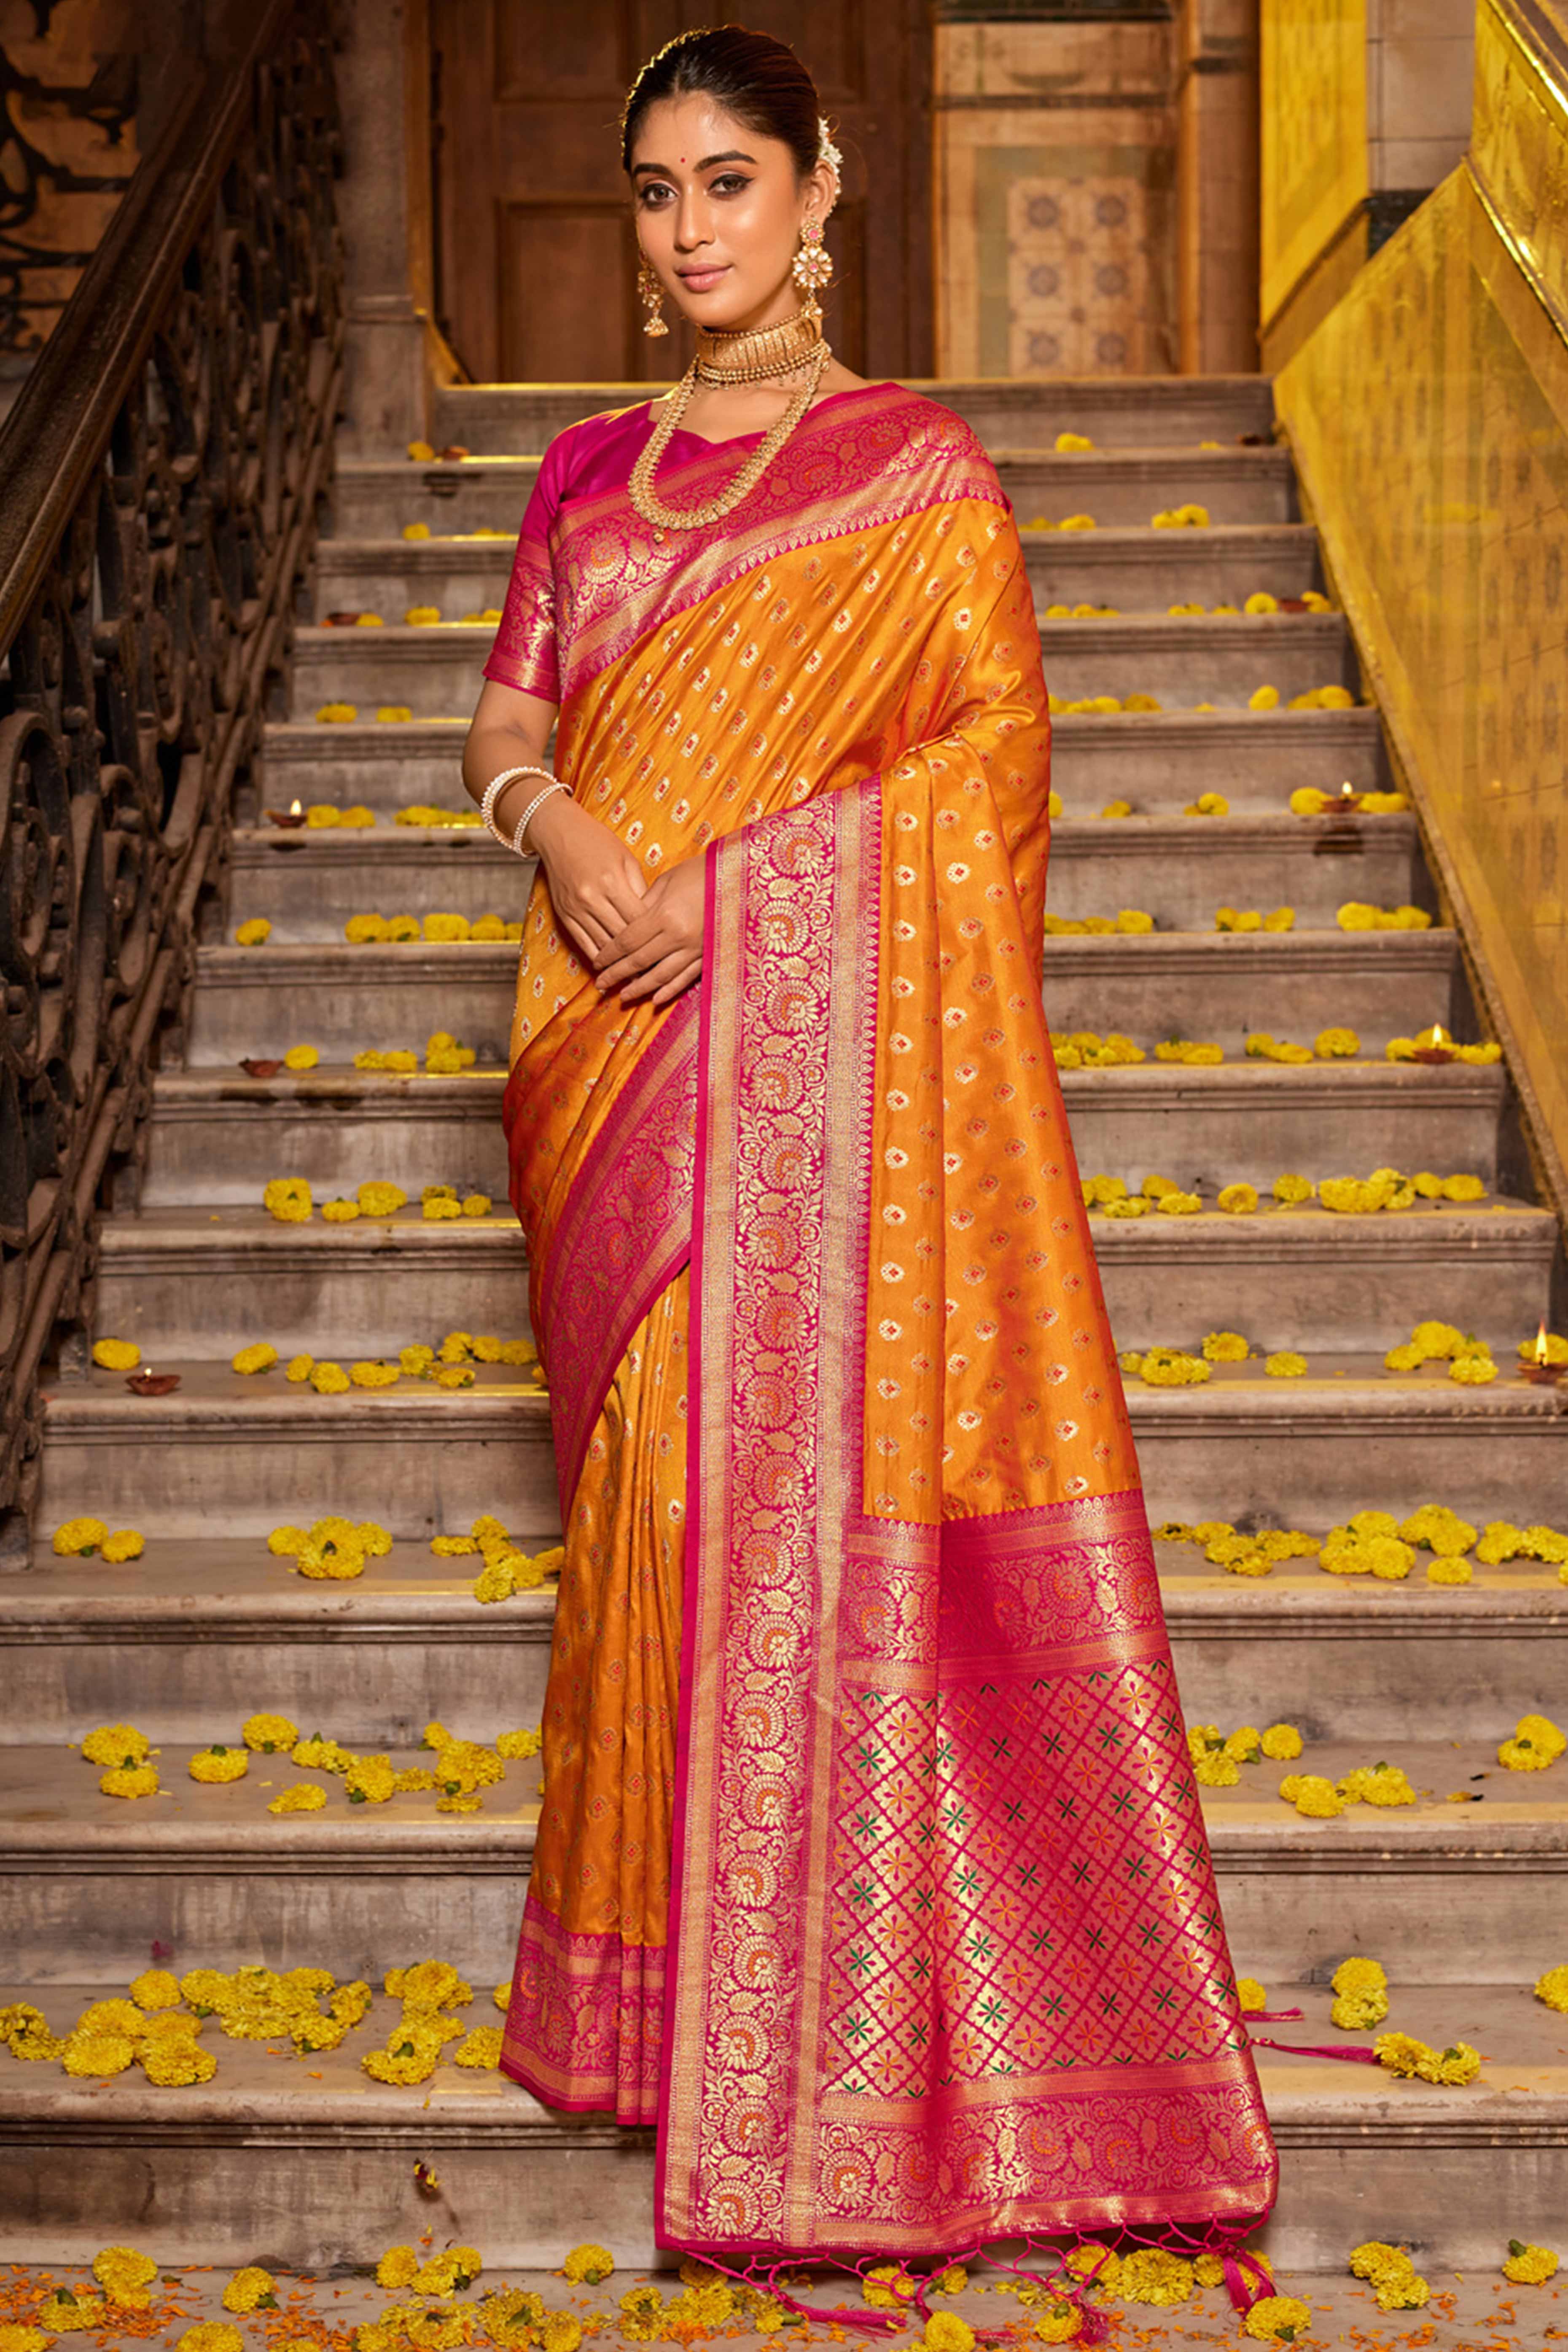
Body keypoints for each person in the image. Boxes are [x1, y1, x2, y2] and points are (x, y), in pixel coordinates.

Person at [463, 22, 1276, 2290]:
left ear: (825, 194)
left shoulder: (914, 471)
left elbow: (989, 770)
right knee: (647, 1499)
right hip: (605, 1041)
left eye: (730, 180)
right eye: (655, 188)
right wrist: (560, 831)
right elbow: (505, 722)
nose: (689, 227)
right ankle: (646, 2015)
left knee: (777, 1502)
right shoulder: (582, 475)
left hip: (800, 1059)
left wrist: (745, 899)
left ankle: (816, 2029)